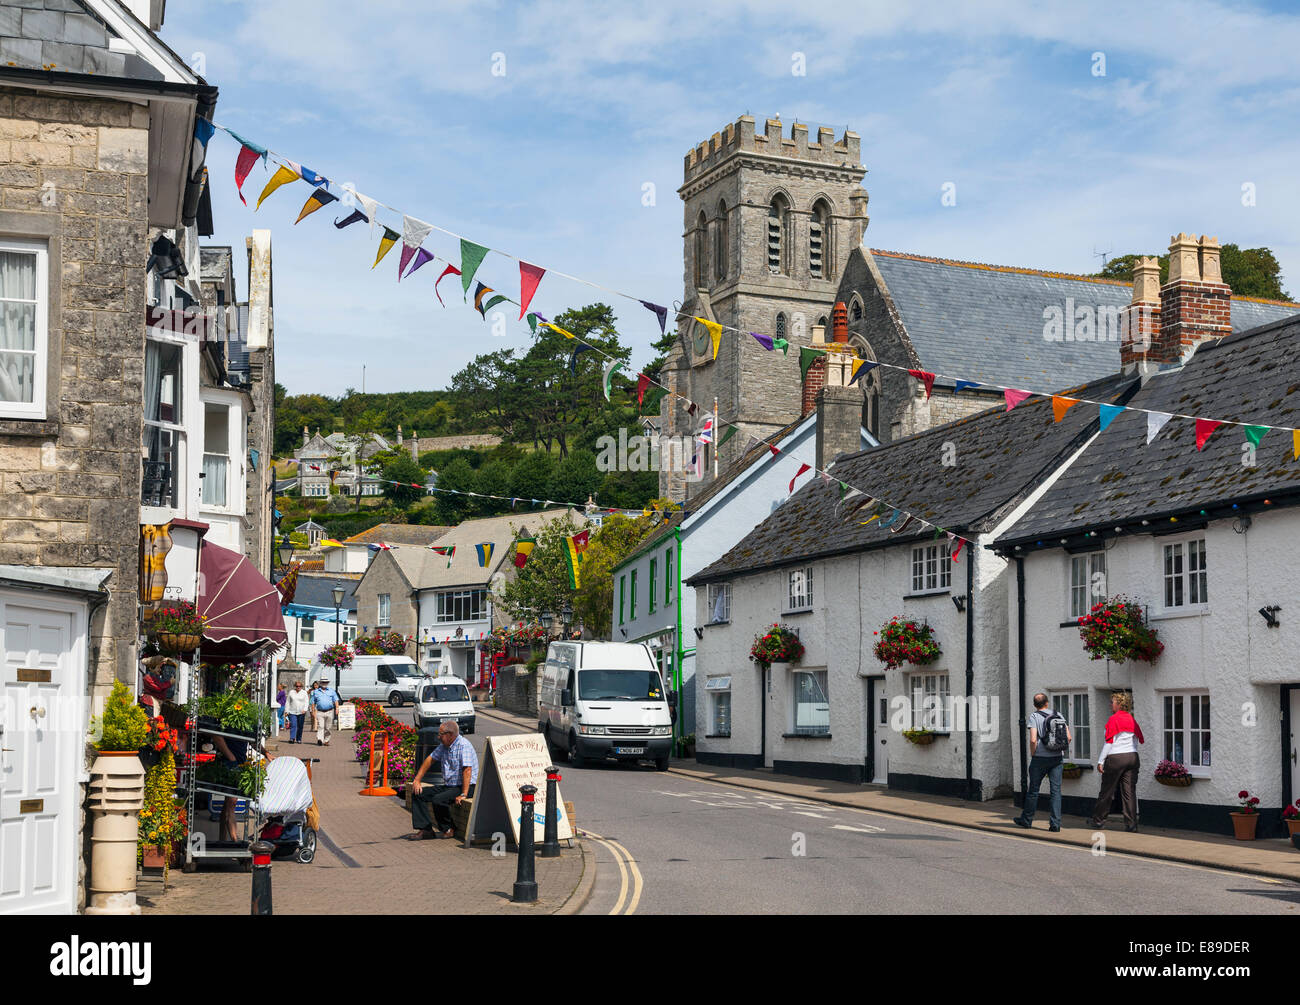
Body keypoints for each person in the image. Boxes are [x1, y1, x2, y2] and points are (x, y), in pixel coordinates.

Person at [408, 719, 478, 839]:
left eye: (440, 734)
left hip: (465, 786)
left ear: (450, 735)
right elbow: (430, 759)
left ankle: (449, 828)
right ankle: (426, 830)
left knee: (438, 799)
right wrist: (417, 780)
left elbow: (467, 770)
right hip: (450, 786)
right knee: (418, 793)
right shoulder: (444, 746)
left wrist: (464, 794)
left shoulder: (463, 745)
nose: (438, 737)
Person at [1015, 693, 1072, 832]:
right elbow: (1068, 737)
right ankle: (1055, 824)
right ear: (1047, 703)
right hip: (1057, 758)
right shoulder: (1058, 714)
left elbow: (1033, 739)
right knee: (1056, 791)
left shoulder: (1034, 716)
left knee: (1033, 790)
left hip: (1040, 758)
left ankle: (1027, 820)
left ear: (1035, 705)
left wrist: (1033, 753)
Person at [1092, 691, 1144, 832]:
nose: (1110, 704)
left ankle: (1098, 821)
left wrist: (1100, 761)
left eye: (1112, 702)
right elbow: (1137, 740)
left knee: (1107, 791)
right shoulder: (1132, 720)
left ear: (1119, 704)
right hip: (1132, 757)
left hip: (1116, 757)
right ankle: (1131, 824)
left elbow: (1109, 742)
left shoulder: (1114, 719)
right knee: (1129, 792)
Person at [312, 678, 340, 746]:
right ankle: (320, 740)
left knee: (328, 727)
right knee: (321, 726)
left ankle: (326, 740)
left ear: (327, 683)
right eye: (323, 682)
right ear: (320, 683)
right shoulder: (316, 692)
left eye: (326, 682)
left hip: (329, 711)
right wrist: (313, 711)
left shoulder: (331, 691)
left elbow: (336, 700)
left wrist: (337, 708)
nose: (324, 683)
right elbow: (313, 702)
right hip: (320, 711)